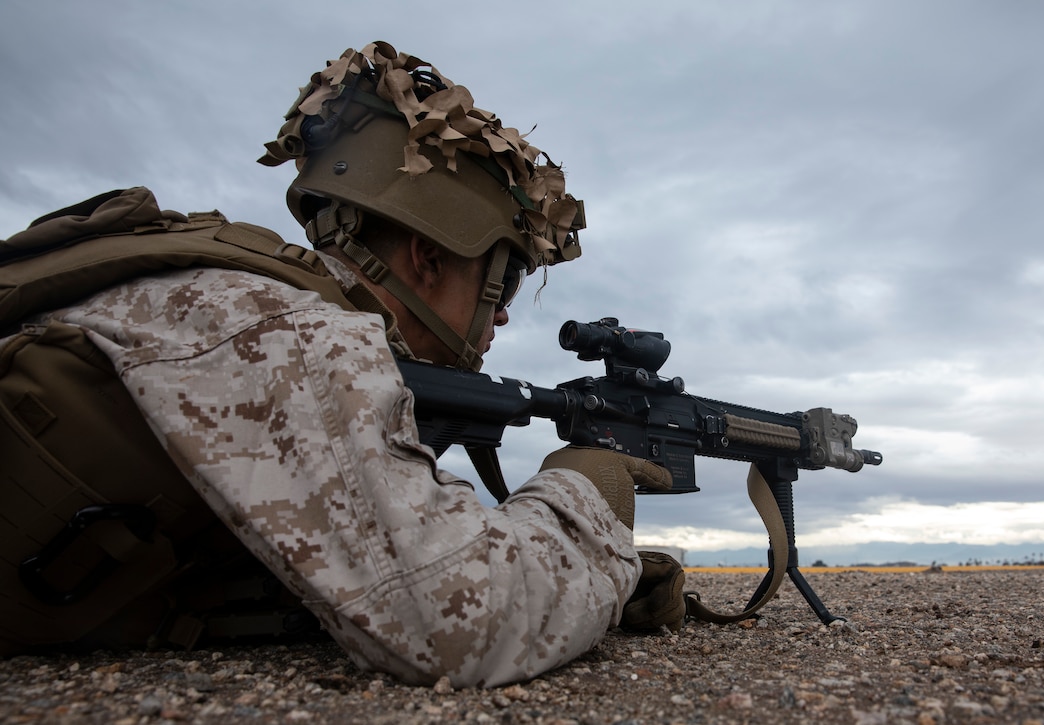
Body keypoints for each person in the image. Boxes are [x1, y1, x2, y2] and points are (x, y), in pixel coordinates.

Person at [0, 41, 678, 688]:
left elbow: (372, 547)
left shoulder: (236, 294)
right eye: (498, 284)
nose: (499, 316)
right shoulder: (298, 332)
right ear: (428, 257)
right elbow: (467, 624)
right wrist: (587, 495)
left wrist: (602, 582)